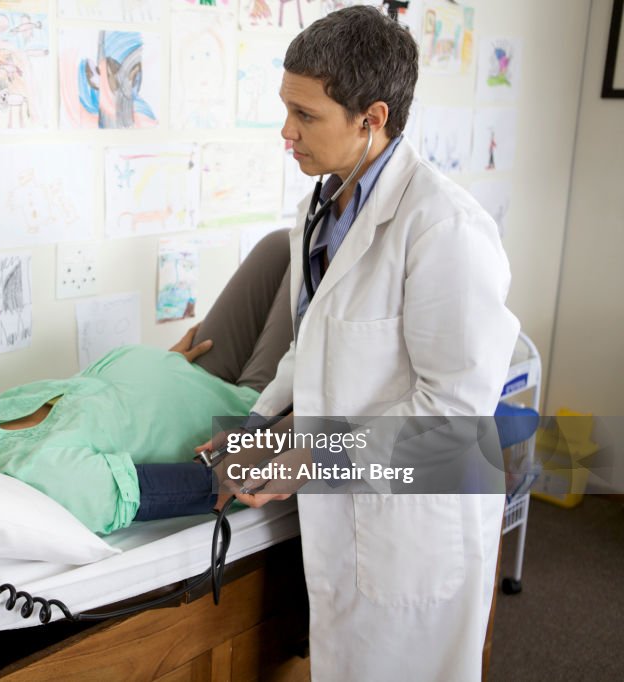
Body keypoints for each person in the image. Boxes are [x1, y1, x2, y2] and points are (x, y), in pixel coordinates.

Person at [182, 6, 520, 681]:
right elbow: (314, 343)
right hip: (349, 511)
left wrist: (306, 457)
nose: (286, 132)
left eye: (305, 115)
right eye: (286, 109)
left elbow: (451, 416)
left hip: (415, 525)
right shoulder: (324, 204)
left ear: (372, 118)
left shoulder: (444, 230)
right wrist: (254, 427)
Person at [0, 235, 295, 536]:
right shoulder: (36, 471)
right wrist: (277, 452)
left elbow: (98, 397)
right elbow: (184, 486)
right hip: (244, 406)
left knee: (280, 246)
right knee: (308, 256)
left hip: (189, 367)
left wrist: (161, 365)